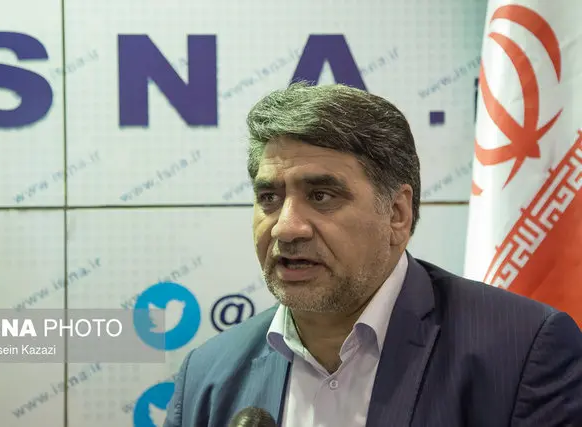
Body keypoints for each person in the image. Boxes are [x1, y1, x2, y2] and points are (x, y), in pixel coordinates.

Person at [163, 82, 582, 427]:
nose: (286, 228)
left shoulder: (521, 351)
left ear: (397, 214)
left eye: (321, 195)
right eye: (269, 197)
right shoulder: (206, 376)